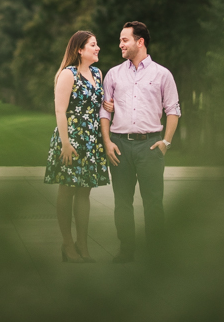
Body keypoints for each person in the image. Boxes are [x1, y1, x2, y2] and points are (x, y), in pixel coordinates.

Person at [100, 21, 180, 263]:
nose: (120, 44)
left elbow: (173, 109)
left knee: (153, 202)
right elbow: (105, 112)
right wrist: (107, 142)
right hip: (119, 146)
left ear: (140, 42)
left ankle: (156, 253)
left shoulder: (162, 74)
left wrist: (166, 142)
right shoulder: (113, 74)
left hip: (150, 146)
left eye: (125, 40)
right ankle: (126, 250)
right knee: (122, 202)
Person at [44, 31, 110, 263]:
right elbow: (60, 110)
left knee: (84, 192)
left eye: (96, 44)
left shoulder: (97, 73)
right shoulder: (67, 74)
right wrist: (65, 143)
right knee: (67, 189)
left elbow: (97, 104)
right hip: (71, 139)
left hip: (91, 139)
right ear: (79, 50)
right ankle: (67, 244)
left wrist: (108, 105)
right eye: (93, 44)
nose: (98, 47)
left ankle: (83, 243)